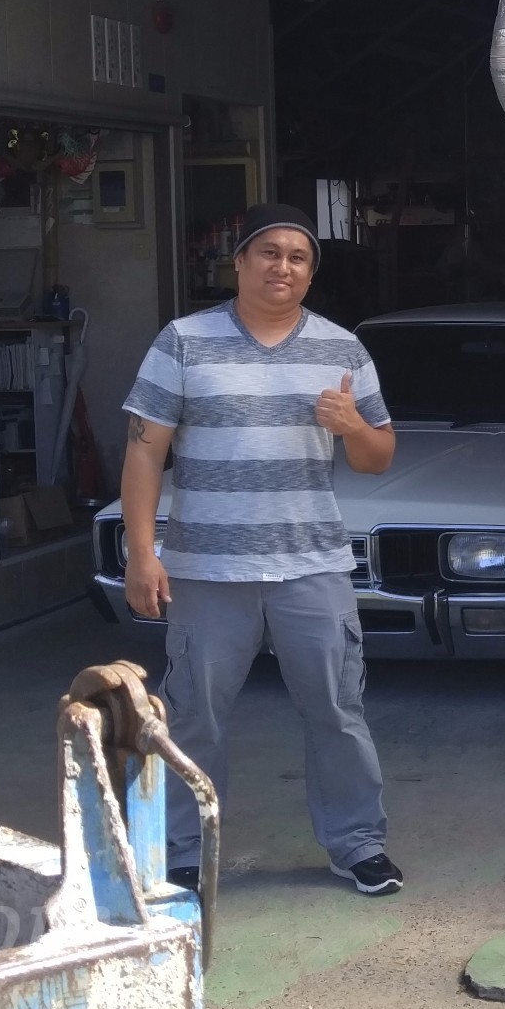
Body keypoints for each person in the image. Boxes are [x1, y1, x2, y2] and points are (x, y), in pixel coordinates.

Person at [120, 203, 403, 896]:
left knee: (337, 712)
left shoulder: (341, 349)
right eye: (269, 252)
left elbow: (378, 457)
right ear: (240, 261)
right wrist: (141, 552)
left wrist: (351, 426)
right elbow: (145, 451)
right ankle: (182, 851)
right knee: (193, 717)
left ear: (311, 273)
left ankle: (358, 843)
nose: (283, 266)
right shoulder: (184, 341)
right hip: (207, 569)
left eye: (298, 257)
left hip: (312, 565)